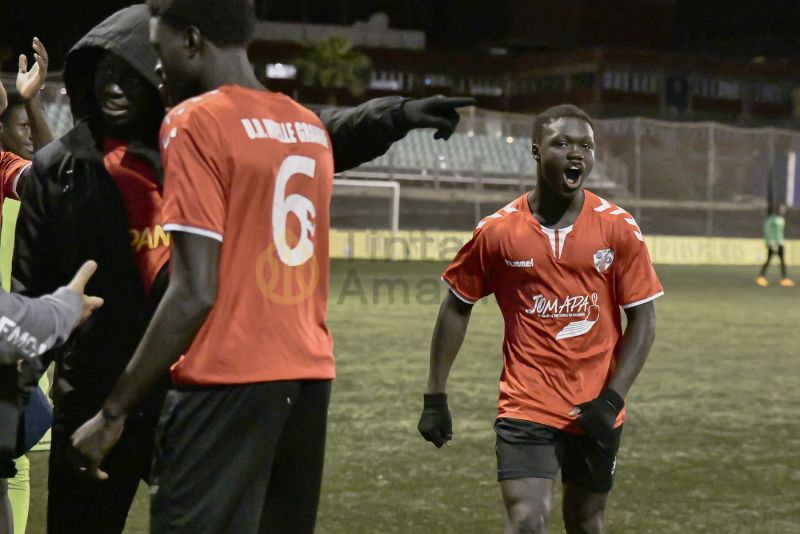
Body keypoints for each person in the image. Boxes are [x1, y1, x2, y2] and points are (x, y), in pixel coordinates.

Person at [16, 4, 473, 533]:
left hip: (195, 392)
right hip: (95, 389)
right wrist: (13, 406)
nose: (113, 87)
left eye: (130, 69)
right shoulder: (62, 169)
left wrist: (395, 114)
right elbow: (29, 297)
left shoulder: (202, 136)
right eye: (101, 73)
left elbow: (320, 133)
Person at [417, 104, 663, 533]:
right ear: (535, 151)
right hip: (526, 405)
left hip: (598, 407)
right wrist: (435, 396)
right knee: (528, 520)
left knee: (586, 522)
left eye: (586, 146)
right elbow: (458, 305)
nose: (576, 154)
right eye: (562, 143)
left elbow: (643, 319)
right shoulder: (497, 232)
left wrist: (613, 399)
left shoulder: (619, 229)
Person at [0, 38, 54, 161]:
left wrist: (31, 97)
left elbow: (49, 167)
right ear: (1, 129)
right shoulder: (5, 168)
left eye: (33, 125)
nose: (32, 135)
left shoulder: (20, 171)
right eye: (25, 126)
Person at [756, 204, 793, 287]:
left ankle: (784, 279)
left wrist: (781, 241)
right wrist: (772, 243)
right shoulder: (771, 219)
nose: (782, 211)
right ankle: (761, 277)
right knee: (768, 260)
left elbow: (779, 232)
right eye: (781, 209)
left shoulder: (781, 219)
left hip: (780, 243)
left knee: (782, 261)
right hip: (773, 243)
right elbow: (768, 232)